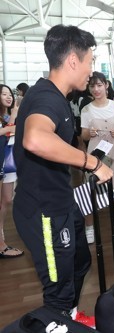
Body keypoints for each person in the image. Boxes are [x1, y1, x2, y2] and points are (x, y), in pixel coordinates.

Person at [12, 25, 112, 326]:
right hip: (44, 214)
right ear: (72, 60)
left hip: (62, 203)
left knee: (80, 263)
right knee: (57, 290)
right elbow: (35, 139)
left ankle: (68, 316)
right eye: (89, 62)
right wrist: (91, 163)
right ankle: (58, 319)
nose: (91, 71)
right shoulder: (47, 98)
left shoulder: (57, 96)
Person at [80, 71, 114, 243]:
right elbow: (84, 135)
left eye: (99, 85)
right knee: (90, 191)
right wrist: (89, 132)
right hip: (96, 154)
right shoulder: (86, 109)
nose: (96, 89)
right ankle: (89, 227)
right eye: (92, 86)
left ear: (106, 85)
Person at [0, 84, 23, 259]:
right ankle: (1, 244)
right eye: (4, 94)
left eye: (10, 94)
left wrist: (14, 113)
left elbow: (11, 127)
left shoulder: (7, 115)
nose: (8, 97)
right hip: (3, 162)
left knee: (7, 199)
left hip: (8, 163)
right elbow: (8, 129)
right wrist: (8, 129)